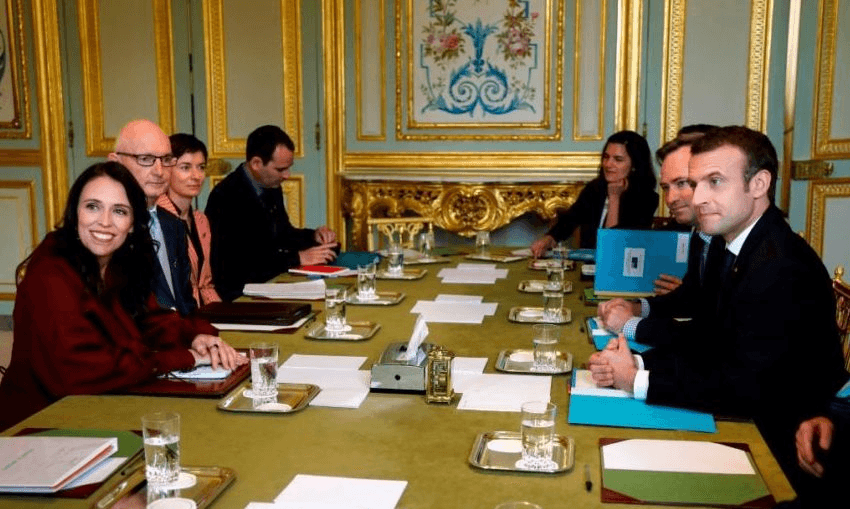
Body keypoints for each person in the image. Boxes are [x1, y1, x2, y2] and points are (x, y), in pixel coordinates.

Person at [587, 126, 848, 499]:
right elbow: (714, 339)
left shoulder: (777, 264)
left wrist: (638, 380)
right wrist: (637, 366)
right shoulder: (742, 244)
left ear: (758, 184)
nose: (699, 199)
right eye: (697, 184)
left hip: (787, 440)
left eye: (714, 182)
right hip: (755, 412)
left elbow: (745, 387)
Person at [0, 162, 245, 431]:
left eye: (119, 211)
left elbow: (150, 319)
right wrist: (186, 357)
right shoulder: (50, 274)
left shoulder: (117, 262)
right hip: (43, 424)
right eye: (92, 206)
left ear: (131, 224)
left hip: (102, 407)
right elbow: (81, 371)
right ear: (75, 213)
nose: (104, 222)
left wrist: (196, 337)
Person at [597, 127, 717, 346]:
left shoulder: (760, 252)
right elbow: (687, 297)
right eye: (666, 187)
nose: (670, 198)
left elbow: (709, 336)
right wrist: (636, 307)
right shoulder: (703, 235)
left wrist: (629, 324)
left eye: (682, 183)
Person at [206, 125, 339, 301]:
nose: (287, 175)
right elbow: (241, 263)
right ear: (256, 164)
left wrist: (315, 237)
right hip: (240, 295)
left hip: (269, 284)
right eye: (280, 169)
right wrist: (297, 258)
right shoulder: (226, 196)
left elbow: (282, 234)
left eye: (288, 167)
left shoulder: (269, 185)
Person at [108, 119, 196, 316]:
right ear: (115, 162)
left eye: (166, 160)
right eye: (146, 159)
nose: (159, 171)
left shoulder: (173, 224)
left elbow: (185, 302)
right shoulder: (106, 229)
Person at [530, 130, 658, 256]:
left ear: (634, 165)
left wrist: (614, 197)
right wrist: (549, 238)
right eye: (606, 157)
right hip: (587, 267)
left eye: (618, 159)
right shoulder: (594, 188)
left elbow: (613, 248)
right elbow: (571, 219)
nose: (608, 164)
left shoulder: (647, 199)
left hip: (620, 269)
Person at [157, 133, 221, 307]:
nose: (196, 176)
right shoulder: (157, 219)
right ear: (166, 170)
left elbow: (205, 284)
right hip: (176, 314)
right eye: (185, 167)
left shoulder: (201, 220)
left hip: (205, 311)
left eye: (200, 167)